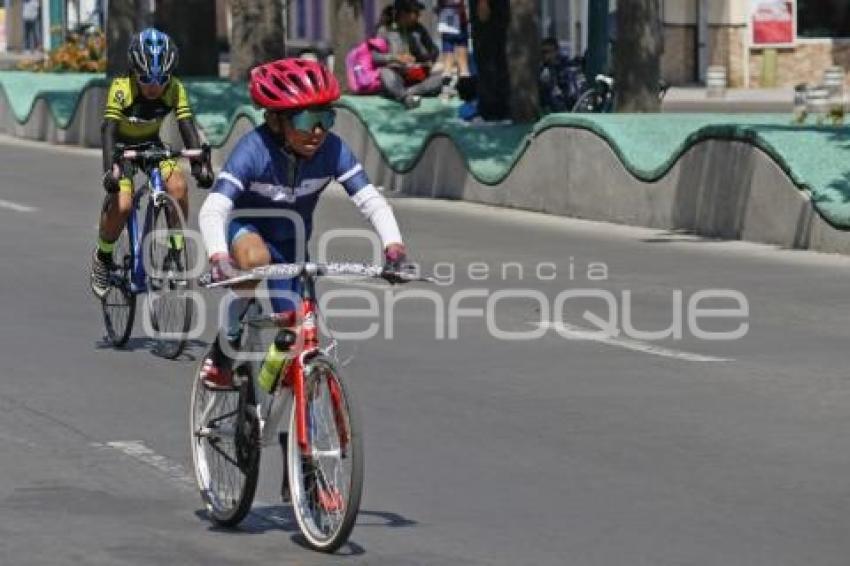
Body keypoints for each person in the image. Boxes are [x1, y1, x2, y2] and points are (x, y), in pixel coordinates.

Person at [197, 58, 408, 388]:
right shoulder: (254, 150)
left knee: (297, 336)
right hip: (247, 232)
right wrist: (219, 259)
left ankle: (265, 404)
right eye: (309, 119)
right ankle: (226, 348)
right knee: (255, 260)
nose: (319, 131)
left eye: (326, 118)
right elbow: (213, 208)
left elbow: (372, 202)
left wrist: (394, 249)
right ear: (277, 121)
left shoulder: (333, 150)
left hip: (292, 245)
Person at [89, 28, 213, 299]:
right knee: (122, 203)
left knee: (178, 186)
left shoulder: (175, 89)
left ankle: (175, 252)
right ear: (134, 71)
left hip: (152, 145)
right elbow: (108, 130)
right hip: (121, 149)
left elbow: (187, 125)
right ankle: (104, 255)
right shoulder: (121, 89)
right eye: (146, 79)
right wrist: (109, 171)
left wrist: (199, 166)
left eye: (162, 79)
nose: (154, 86)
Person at [374, 0, 442, 109]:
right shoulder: (385, 30)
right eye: (415, 13)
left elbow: (434, 51)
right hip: (397, 74)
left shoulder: (419, 30)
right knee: (385, 74)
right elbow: (375, 56)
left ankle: (409, 93)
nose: (418, 16)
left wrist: (422, 53)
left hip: (417, 75)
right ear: (403, 14)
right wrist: (395, 58)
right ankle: (404, 96)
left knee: (439, 79)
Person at [469, 0, 510, 121]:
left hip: (490, 14)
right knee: (497, 58)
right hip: (498, 13)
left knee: (488, 59)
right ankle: (500, 109)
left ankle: (491, 111)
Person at [539, 37, 588, 113]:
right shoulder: (543, 70)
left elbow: (576, 89)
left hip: (570, 105)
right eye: (543, 53)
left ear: (556, 51)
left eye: (548, 52)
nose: (546, 56)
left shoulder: (567, 66)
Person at [435, 0, 471, 100]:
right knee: (454, 58)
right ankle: (458, 89)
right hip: (451, 21)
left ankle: (461, 88)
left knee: (458, 59)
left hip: (454, 20)